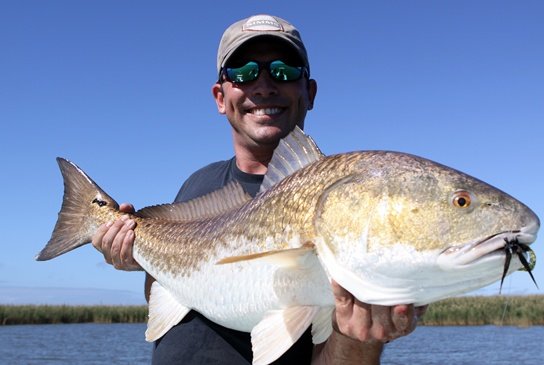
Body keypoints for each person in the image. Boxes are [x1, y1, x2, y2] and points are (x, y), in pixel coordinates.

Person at [92, 14, 427, 364]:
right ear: (220, 97)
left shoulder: (342, 200)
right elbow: (167, 285)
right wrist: (137, 257)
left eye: (284, 70)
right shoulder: (196, 183)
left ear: (309, 92)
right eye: (243, 72)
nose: (264, 85)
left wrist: (360, 337)